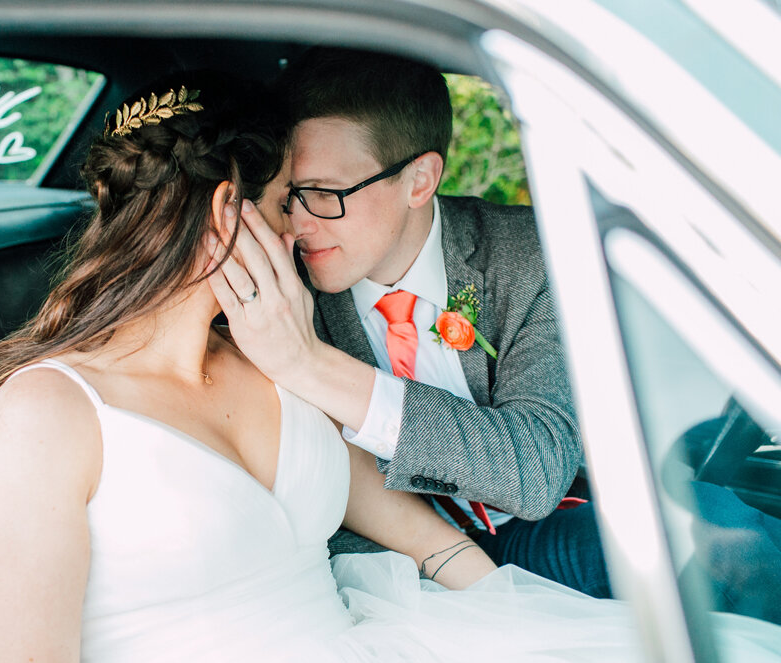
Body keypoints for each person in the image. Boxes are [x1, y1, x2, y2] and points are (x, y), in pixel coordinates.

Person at [0, 72, 781, 663]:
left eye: (312, 199)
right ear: (230, 213)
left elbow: (442, 535)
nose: (299, 228)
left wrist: (529, 623)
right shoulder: (45, 418)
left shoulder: (270, 362)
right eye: (280, 204)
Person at [205, 46, 609, 597]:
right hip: (381, 559)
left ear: (420, 180)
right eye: (289, 195)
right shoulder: (275, 281)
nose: (296, 225)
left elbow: (535, 470)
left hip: (541, 526)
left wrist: (312, 365)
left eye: (324, 194)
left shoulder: (529, 256)